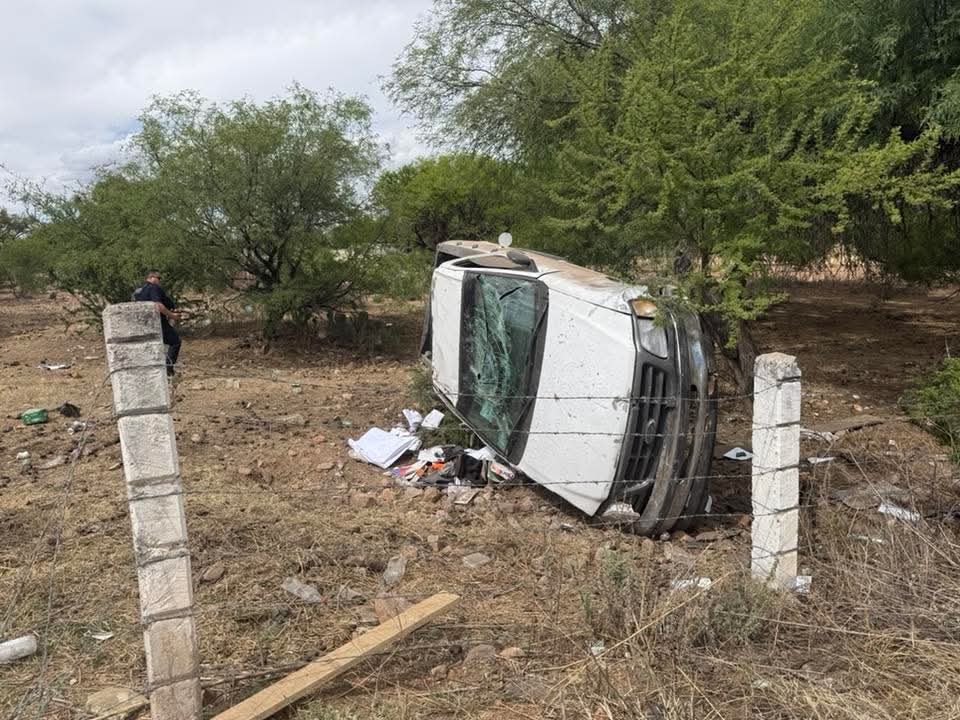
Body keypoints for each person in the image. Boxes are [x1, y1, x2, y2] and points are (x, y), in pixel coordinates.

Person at [133, 270, 182, 376]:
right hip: (157, 322)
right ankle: (168, 369)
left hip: (141, 323)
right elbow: (158, 305)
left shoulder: (138, 291)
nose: (159, 281)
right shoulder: (154, 287)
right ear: (151, 277)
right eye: (158, 278)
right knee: (175, 342)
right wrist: (172, 316)